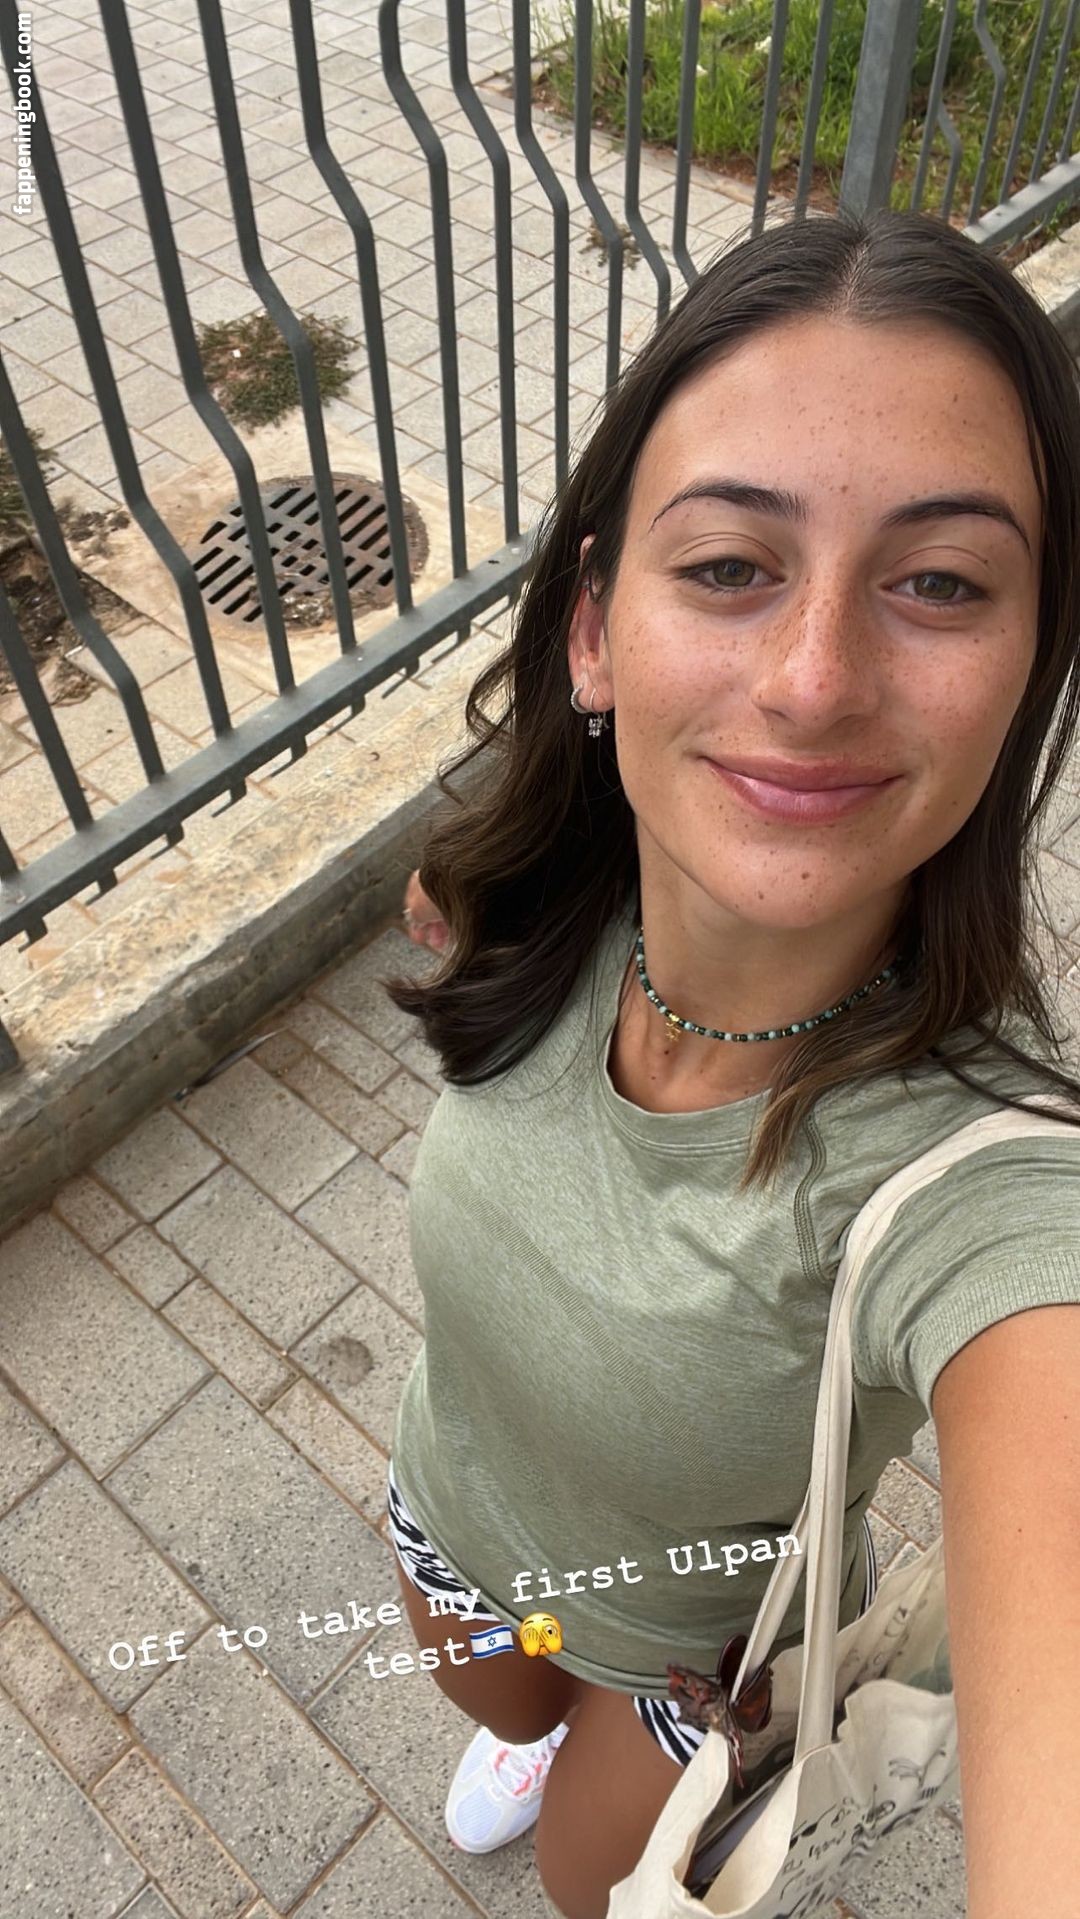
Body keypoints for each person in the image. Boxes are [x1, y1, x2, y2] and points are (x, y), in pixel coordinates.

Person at [379, 208, 1080, 1919]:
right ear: (594, 632)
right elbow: (456, 911)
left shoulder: (988, 1189)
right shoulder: (526, 896)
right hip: (452, 1518)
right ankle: (530, 1725)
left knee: (586, 1885)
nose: (816, 679)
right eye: (727, 566)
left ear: (1030, 666)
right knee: (496, 1705)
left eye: (940, 582)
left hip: (684, 1655)